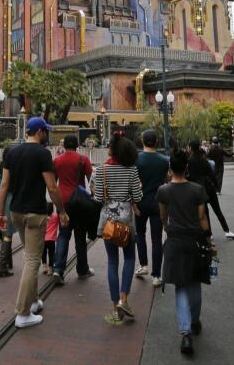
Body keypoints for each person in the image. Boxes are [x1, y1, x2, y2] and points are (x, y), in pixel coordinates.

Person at [0, 117, 68, 329]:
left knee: (30, 256)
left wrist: (1, 213)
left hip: (16, 212)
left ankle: (34, 300)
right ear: (39, 132)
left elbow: (4, 185)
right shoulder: (43, 154)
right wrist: (62, 211)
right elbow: (52, 187)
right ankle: (22, 312)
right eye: (45, 131)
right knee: (32, 261)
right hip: (35, 213)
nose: (46, 134)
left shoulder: (12, 152)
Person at [159, 149, 213, 356]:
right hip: (195, 241)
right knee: (195, 282)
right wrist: (208, 240)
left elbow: (163, 216)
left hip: (174, 242)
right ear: (187, 168)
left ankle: (185, 332)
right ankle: (195, 320)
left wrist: (167, 227)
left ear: (170, 168)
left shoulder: (163, 191)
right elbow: (202, 219)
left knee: (180, 286)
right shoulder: (197, 190)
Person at [91, 134, 143, 326]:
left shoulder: (101, 170)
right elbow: (137, 196)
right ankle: (124, 299)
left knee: (112, 262)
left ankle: (115, 308)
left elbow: (97, 199)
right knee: (129, 258)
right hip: (127, 221)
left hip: (108, 222)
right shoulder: (132, 170)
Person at [52, 133, 94, 285]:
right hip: (80, 202)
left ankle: (58, 269)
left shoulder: (56, 160)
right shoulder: (84, 160)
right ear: (77, 145)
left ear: (64, 146)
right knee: (80, 236)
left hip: (63, 202)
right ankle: (82, 269)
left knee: (63, 234)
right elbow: (92, 180)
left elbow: (53, 183)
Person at [134, 129, 170, 287]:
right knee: (156, 239)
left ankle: (143, 265)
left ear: (142, 141)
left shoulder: (136, 159)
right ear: (156, 142)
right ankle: (156, 275)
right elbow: (168, 180)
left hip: (140, 202)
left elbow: (133, 182)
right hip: (157, 203)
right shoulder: (164, 160)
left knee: (140, 234)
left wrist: (133, 203)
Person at [188, 140, 234, 240]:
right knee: (217, 210)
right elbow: (211, 173)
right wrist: (216, 186)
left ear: (190, 148)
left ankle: (209, 233)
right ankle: (227, 230)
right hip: (209, 187)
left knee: (205, 213)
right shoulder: (203, 159)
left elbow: (190, 177)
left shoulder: (190, 160)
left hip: (199, 190)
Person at [41, 203, 58, 275]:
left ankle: (44, 267)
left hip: (43, 240)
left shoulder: (42, 218)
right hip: (51, 240)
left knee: (43, 253)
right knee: (51, 254)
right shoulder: (55, 217)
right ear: (52, 209)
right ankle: (50, 269)